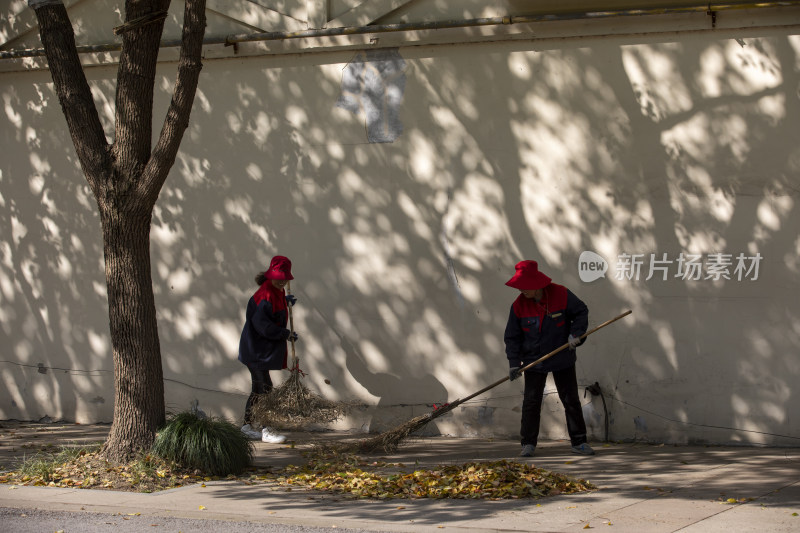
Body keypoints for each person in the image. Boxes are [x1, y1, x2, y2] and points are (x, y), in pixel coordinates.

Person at [503, 260, 593, 457]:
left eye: (524, 286)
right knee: (531, 401)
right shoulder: (518, 305)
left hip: (561, 355)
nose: (521, 290)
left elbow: (581, 312)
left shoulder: (561, 294)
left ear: (537, 284)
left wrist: (576, 335)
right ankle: (527, 443)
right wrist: (513, 364)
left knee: (570, 399)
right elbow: (512, 337)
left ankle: (579, 442)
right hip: (533, 359)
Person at [238, 255, 299, 444]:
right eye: (278, 278)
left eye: (284, 278)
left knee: (258, 388)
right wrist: (284, 333)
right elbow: (262, 325)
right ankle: (266, 429)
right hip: (256, 350)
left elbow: (276, 305)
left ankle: (246, 427)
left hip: (257, 349)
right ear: (270, 275)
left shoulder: (276, 291)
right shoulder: (265, 296)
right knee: (265, 388)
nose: (282, 281)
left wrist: (285, 300)